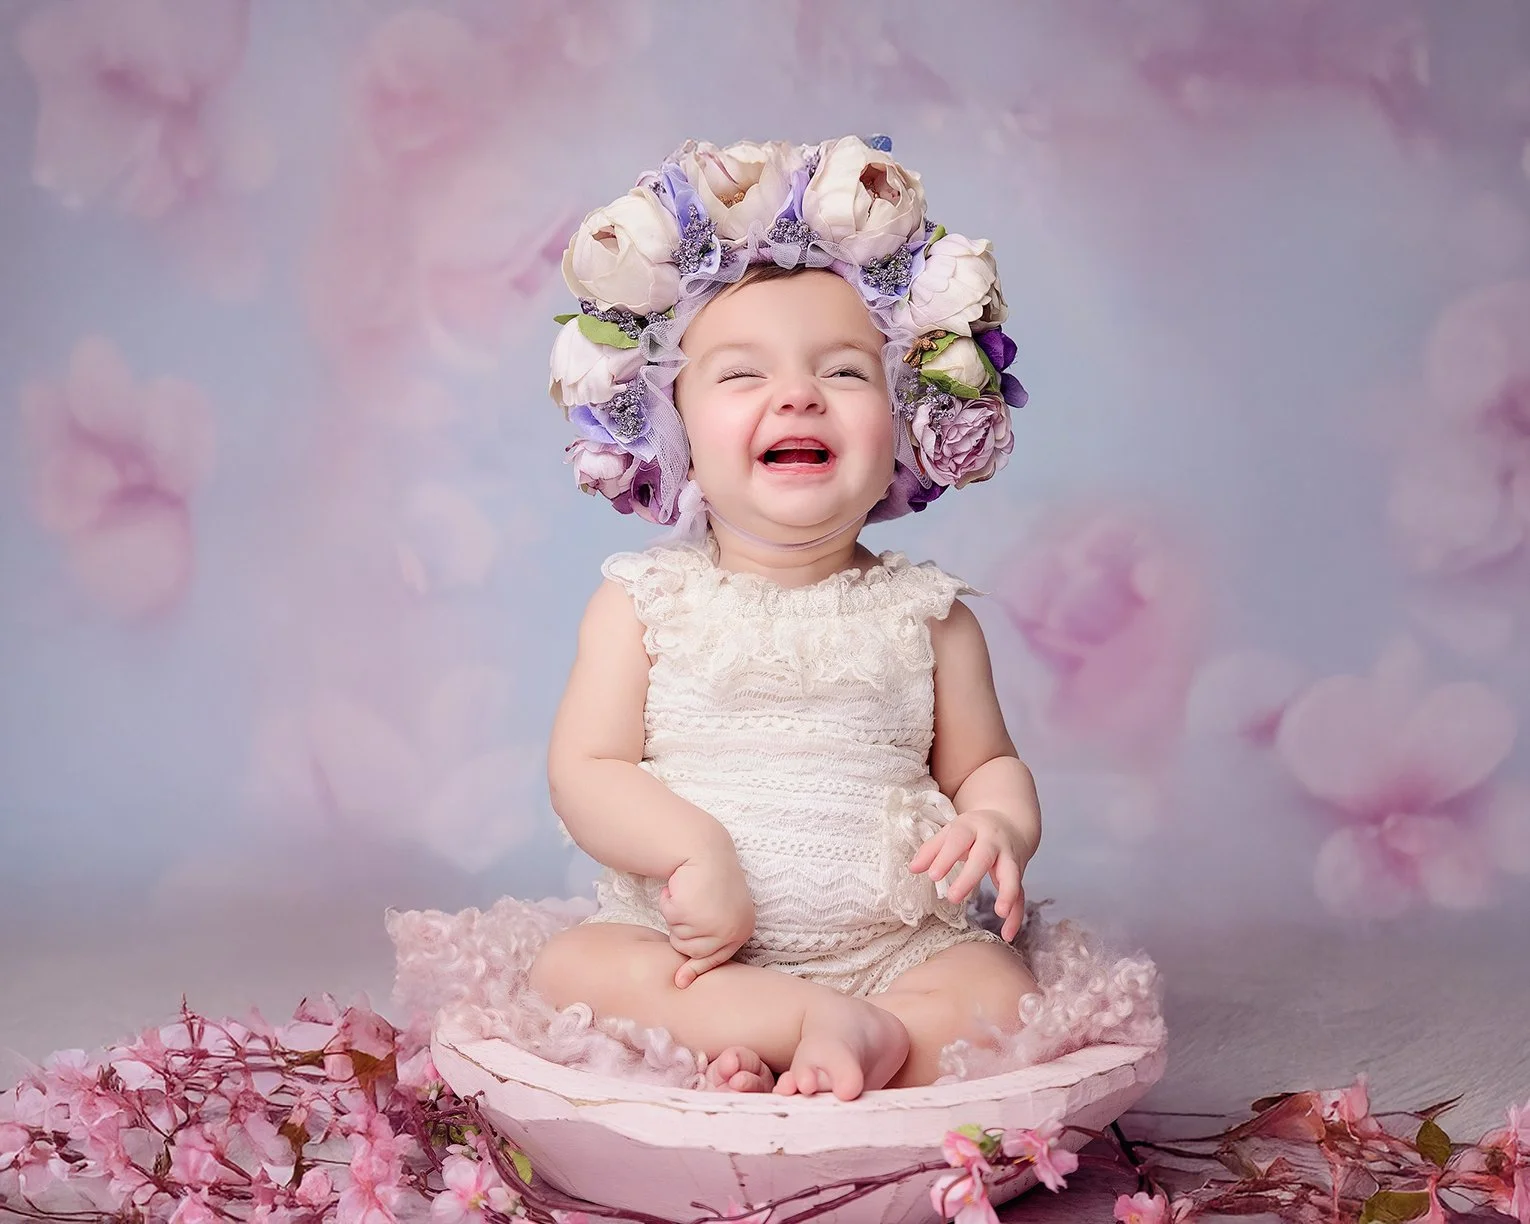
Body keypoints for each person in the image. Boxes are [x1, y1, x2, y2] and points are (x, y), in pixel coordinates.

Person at [528, 135, 1039, 1101]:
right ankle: (801, 1029)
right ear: (672, 427)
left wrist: (999, 823)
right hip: (697, 953)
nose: (798, 393)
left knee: (1000, 994)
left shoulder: (928, 618)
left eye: (846, 373)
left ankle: (843, 1035)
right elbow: (584, 771)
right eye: (740, 375)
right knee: (574, 973)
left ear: (904, 425)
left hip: (894, 946)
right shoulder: (643, 605)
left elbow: (986, 765)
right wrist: (693, 850)